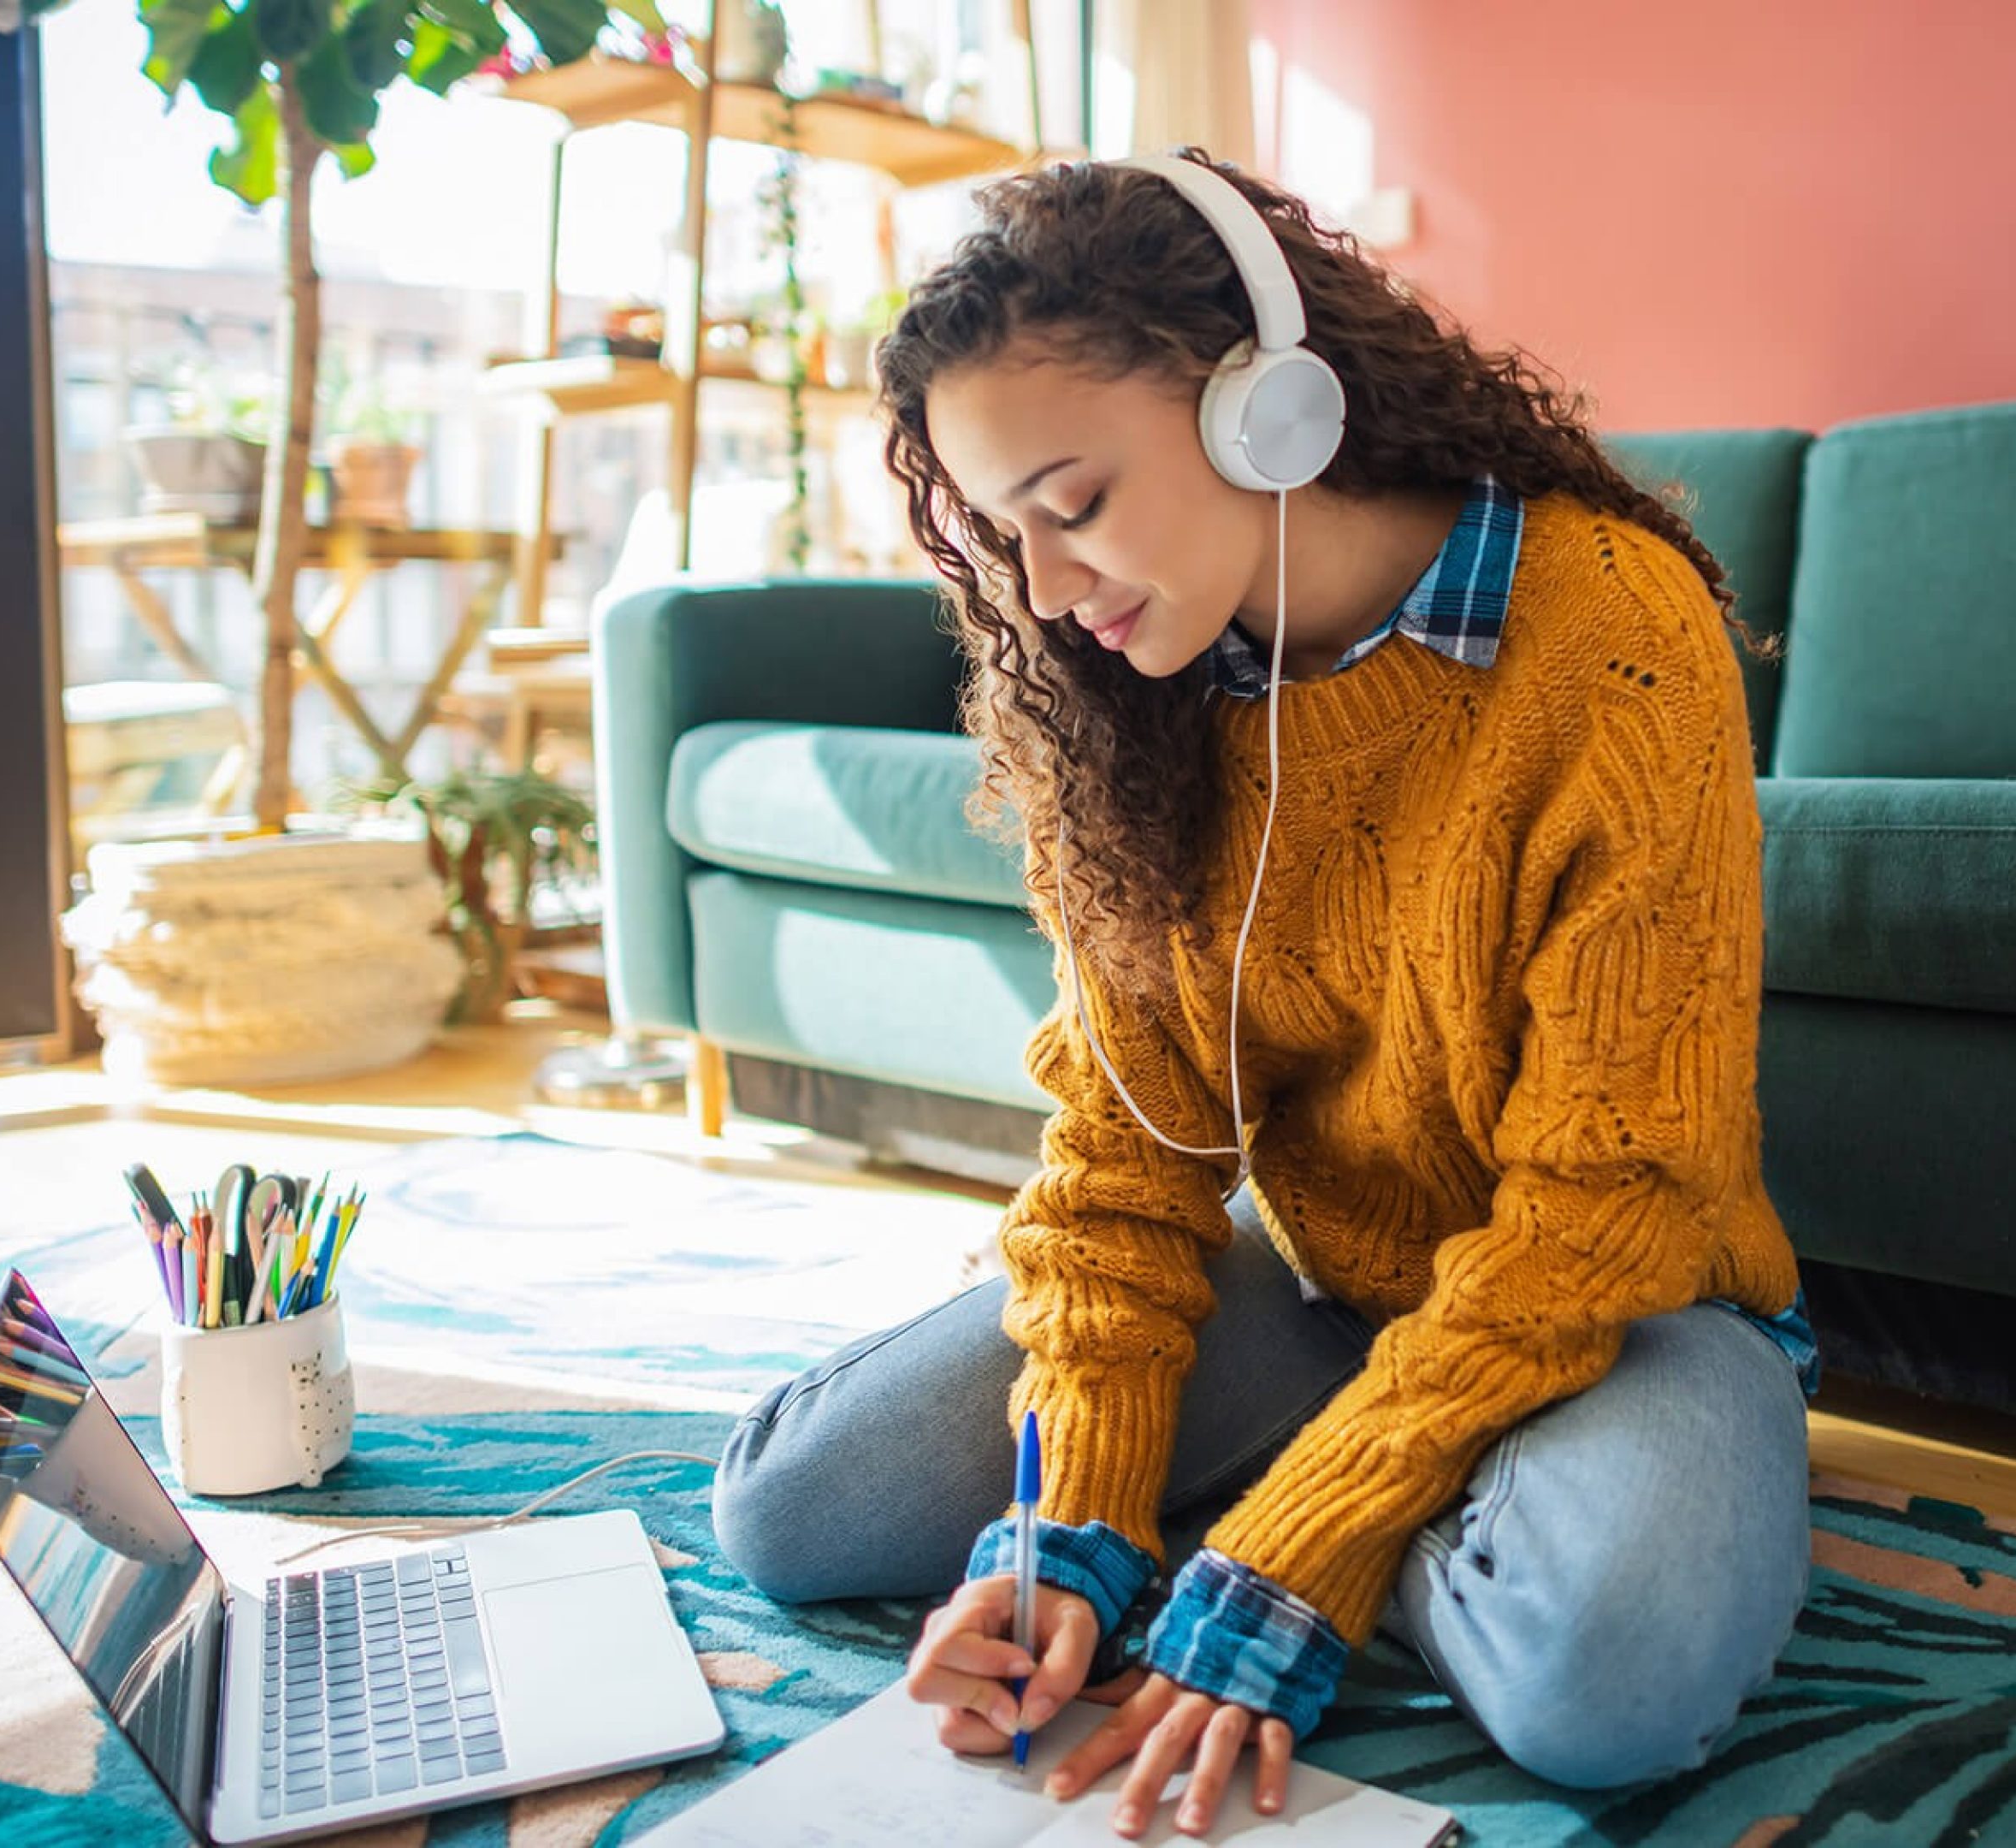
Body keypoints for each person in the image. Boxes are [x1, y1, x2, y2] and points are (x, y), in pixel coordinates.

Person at [708, 149, 1815, 1839]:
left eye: (1071, 506)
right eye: (1004, 540)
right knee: (787, 1507)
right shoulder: (1119, 708)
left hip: (1625, 1312)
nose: (1050, 596)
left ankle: (1362, 1496)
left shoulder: (1615, 635)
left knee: (1610, 1677)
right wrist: (1064, 1517)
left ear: (1262, 404)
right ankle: (1375, 1491)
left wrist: (1310, 1539)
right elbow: (1127, 1159)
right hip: (1317, 1300)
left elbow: (1608, 1210)